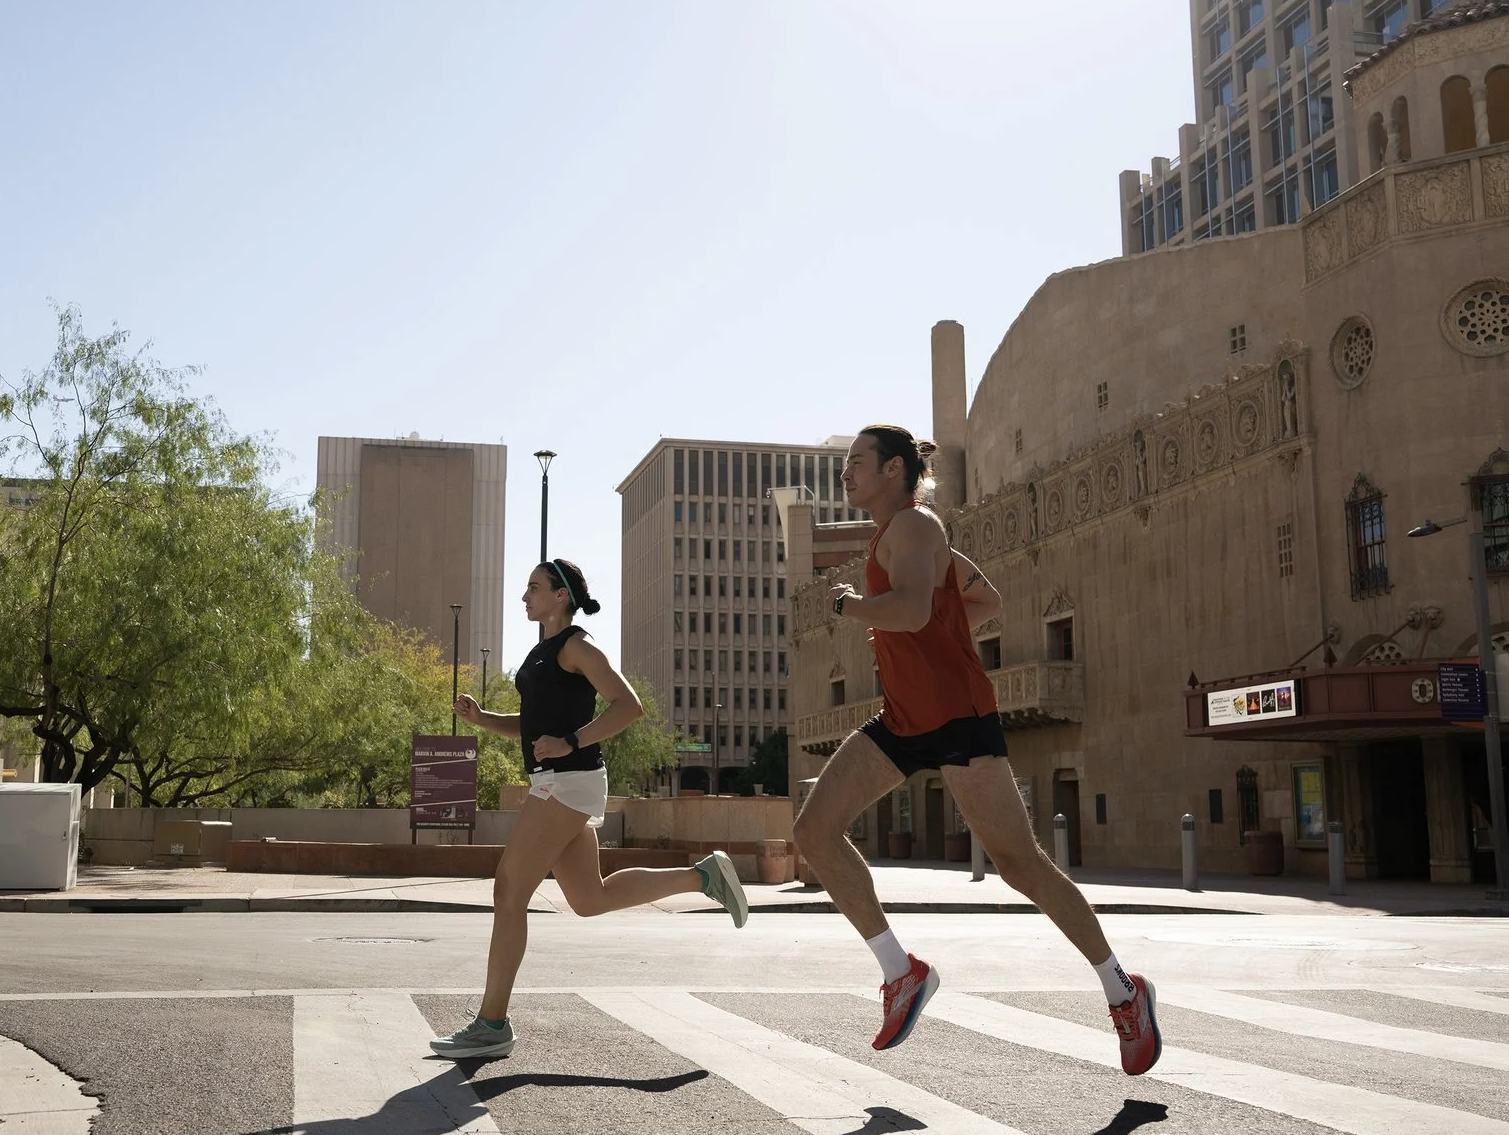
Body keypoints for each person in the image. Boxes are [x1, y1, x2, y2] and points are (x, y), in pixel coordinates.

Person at [793, 426, 1162, 1073]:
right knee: (814, 832)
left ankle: (1123, 991)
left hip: (959, 720)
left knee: (1022, 867)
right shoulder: (903, 537)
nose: (846, 472)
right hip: (903, 719)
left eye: (857, 461)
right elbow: (983, 600)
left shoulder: (915, 526)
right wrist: (936, 629)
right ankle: (900, 972)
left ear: (893, 469)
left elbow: (911, 611)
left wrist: (853, 607)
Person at [430, 557, 749, 1059]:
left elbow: (628, 705)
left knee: (509, 889)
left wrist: (571, 742)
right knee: (589, 898)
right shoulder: (542, 651)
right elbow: (534, 724)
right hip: (558, 781)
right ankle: (703, 877)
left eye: (534, 587)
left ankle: (492, 1023)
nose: (525, 596)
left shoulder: (577, 646)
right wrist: (484, 718)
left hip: (568, 781)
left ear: (561, 595)